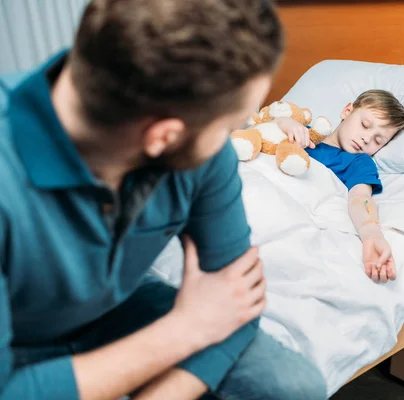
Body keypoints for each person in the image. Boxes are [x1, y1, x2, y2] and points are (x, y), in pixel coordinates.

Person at [0, 1, 328, 399]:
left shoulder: (202, 151)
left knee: (293, 387)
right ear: (163, 138)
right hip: (17, 340)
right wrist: (185, 330)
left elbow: (236, 297)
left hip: (113, 310)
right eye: (230, 124)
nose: (231, 135)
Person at [274, 90, 404, 284]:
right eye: (365, 125)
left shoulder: (359, 163)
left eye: (378, 140)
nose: (367, 138)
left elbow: (360, 198)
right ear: (347, 110)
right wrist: (286, 123)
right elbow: (263, 133)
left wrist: (371, 234)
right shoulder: (308, 133)